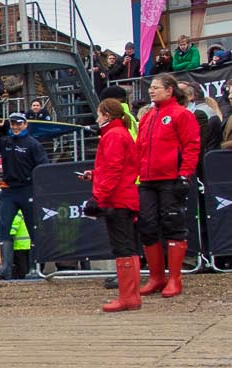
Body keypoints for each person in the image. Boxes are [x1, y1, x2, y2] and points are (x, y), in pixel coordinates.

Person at [135, 72, 201, 299]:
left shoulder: (181, 115)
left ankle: (174, 278)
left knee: (173, 225)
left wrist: (185, 175)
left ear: (169, 90)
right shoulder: (147, 117)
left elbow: (192, 146)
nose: (151, 90)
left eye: (156, 87)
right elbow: (139, 149)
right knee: (147, 226)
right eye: (151, 87)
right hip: (147, 179)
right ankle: (156, 277)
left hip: (170, 178)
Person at [81, 97, 145, 313]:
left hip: (117, 199)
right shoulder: (120, 134)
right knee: (128, 245)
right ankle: (132, 296)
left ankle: (128, 297)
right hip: (125, 196)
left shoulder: (113, 135)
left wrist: (98, 196)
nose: (97, 118)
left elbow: (114, 169)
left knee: (122, 247)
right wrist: (95, 175)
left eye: (99, 113)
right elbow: (116, 167)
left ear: (106, 115)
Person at [0, 112, 48, 279]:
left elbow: (44, 167)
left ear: (25, 124)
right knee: (4, 227)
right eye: (12, 123)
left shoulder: (33, 144)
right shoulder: (6, 141)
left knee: (33, 228)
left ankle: (36, 267)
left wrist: (38, 188)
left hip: (28, 190)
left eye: (19, 123)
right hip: (10, 191)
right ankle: (5, 267)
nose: (15, 127)